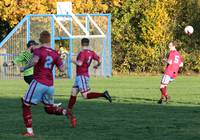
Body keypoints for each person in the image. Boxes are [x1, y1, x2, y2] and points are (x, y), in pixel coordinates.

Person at [20, 30, 67, 137]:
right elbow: (63, 69)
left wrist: (24, 67)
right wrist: (62, 58)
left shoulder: (38, 50)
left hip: (38, 82)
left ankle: (30, 132)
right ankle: (64, 111)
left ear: (40, 39)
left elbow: (35, 61)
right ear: (50, 40)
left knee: (25, 104)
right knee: (48, 109)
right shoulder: (55, 53)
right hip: (50, 85)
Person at [66, 38, 112, 126]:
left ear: (81, 44)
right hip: (81, 77)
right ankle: (69, 111)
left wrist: (72, 60)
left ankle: (103, 94)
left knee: (85, 95)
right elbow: (100, 60)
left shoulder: (82, 53)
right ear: (88, 44)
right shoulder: (91, 52)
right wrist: (97, 66)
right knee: (73, 92)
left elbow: (79, 63)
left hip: (82, 77)